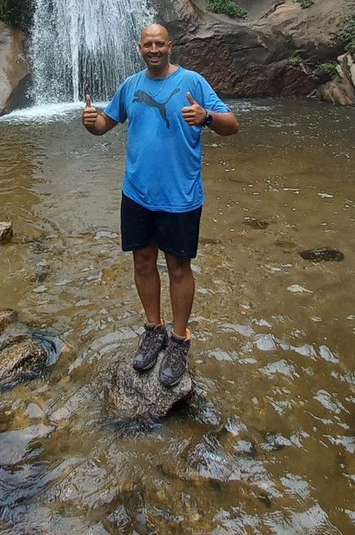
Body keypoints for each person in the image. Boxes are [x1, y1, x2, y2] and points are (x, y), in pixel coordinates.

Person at [82, 23, 239, 387]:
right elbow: (106, 123)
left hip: (180, 196)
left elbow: (232, 124)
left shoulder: (194, 82)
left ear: (169, 46)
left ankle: (180, 339)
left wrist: (207, 118)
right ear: (140, 49)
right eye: (147, 44)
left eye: (159, 44)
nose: (153, 49)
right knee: (142, 260)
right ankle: (154, 329)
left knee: (179, 266)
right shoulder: (131, 85)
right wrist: (90, 121)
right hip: (137, 192)